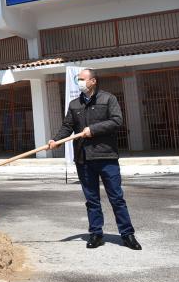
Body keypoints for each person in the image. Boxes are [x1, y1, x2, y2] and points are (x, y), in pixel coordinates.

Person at [48, 69, 141, 251]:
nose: (79, 82)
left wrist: (94, 129)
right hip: (84, 159)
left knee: (116, 198)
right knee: (91, 200)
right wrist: (56, 140)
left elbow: (117, 121)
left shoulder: (108, 99)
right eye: (78, 79)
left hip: (106, 157)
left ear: (93, 81)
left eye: (82, 79)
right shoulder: (74, 104)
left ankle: (127, 234)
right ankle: (96, 234)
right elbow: (67, 126)